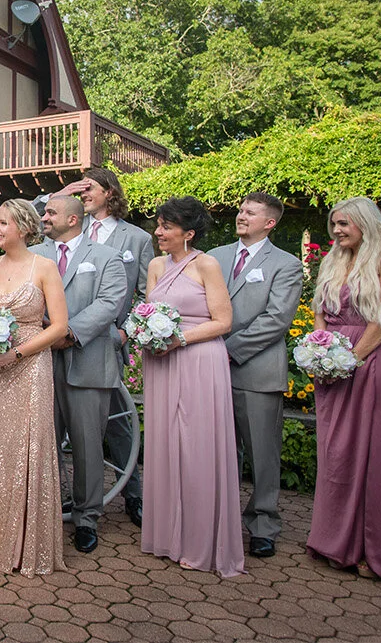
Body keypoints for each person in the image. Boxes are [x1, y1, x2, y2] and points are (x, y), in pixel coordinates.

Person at [305, 197, 381, 586]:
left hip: (371, 361)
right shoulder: (334, 259)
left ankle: (375, 549)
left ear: (366, 223)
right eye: (335, 224)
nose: (338, 231)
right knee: (337, 452)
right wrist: (320, 349)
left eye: (345, 224)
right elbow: (319, 310)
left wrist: (350, 360)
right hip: (333, 362)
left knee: (374, 454)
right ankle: (334, 542)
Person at [136, 198, 245, 576]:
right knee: (165, 445)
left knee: (197, 447)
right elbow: (147, 310)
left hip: (199, 360)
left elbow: (224, 321)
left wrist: (179, 339)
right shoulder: (154, 265)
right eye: (158, 226)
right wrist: (146, 333)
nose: (159, 233)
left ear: (190, 233)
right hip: (160, 363)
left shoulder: (207, 264)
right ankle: (168, 535)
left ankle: (201, 540)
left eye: (166, 227)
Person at [50, 167, 154, 523]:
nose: (83, 194)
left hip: (104, 342)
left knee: (115, 426)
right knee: (65, 427)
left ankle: (133, 492)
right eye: (78, 192)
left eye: (89, 187)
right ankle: (66, 495)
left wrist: (125, 332)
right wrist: (59, 194)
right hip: (51, 344)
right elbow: (28, 220)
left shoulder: (136, 239)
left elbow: (145, 294)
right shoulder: (59, 231)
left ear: (111, 191)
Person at [0, 200, 72, 576]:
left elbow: (59, 326)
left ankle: (29, 543)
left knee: (28, 447)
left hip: (29, 365)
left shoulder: (45, 267)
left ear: (24, 227)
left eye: (2, 222)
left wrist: (15, 353)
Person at [31, 195, 129, 552]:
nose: (44, 216)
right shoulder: (34, 256)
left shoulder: (105, 257)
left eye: (51, 212)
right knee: (44, 441)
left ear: (73, 220)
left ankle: (87, 518)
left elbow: (110, 303)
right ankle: (48, 510)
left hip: (86, 359)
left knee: (88, 445)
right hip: (38, 361)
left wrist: (67, 333)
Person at [208, 192, 301, 558]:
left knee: (262, 454)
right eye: (241, 210)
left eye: (251, 212)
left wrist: (227, 350)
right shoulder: (215, 257)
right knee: (219, 450)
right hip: (210, 373)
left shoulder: (286, 264)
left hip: (257, 371)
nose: (241, 215)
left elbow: (277, 319)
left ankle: (263, 524)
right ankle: (221, 520)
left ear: (270, 222)